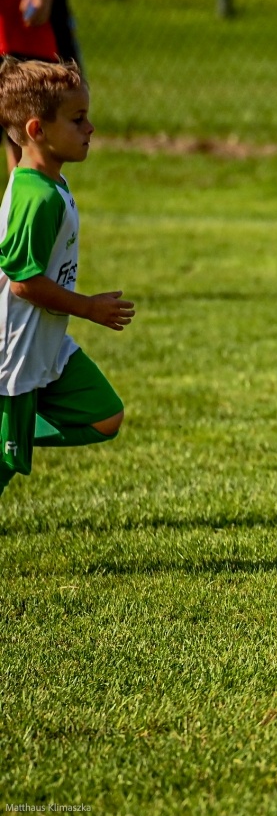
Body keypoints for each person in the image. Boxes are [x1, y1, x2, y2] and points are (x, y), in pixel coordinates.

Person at [0, 58, 132, 498]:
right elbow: (23, 284)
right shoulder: (37, 199)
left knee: (104, 415)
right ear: (37, 130)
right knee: (6, 463)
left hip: (48, 346)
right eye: (78, 120)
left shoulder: (47, 182)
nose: (90, 128)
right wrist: (89, 308)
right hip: (15, 357)